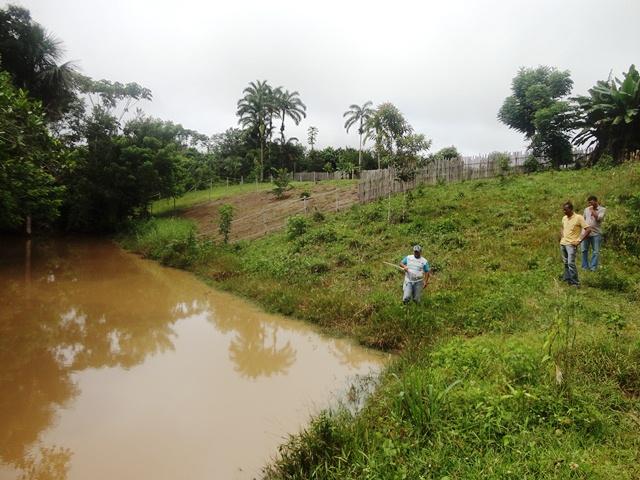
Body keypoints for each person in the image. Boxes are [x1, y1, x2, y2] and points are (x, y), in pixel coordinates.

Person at [559, 201, 591, 287]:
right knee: (565, 263)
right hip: (563, 243)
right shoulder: (564, 218)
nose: (564, 212)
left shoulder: (578, 218)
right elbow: (562, 227)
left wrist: (579, 240)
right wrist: (562, 236)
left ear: (571, 209)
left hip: (571, 244)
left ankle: (575, 282)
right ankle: (567, 279)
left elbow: (588, 229)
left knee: (570, 263)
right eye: (563, 210)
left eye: (566, 210)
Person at [582, 195, 606, 271]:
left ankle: (593, 268)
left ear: (596, 201)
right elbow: (583, 220)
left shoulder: (602, 209)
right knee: (584, 250)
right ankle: (585, 267)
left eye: (591, 202)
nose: (590, 204)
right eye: (589, 203)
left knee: (595, 251)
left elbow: (599, 218)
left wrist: (592, 210)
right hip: (586, 233)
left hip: (596, 234)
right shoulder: (586, 209)